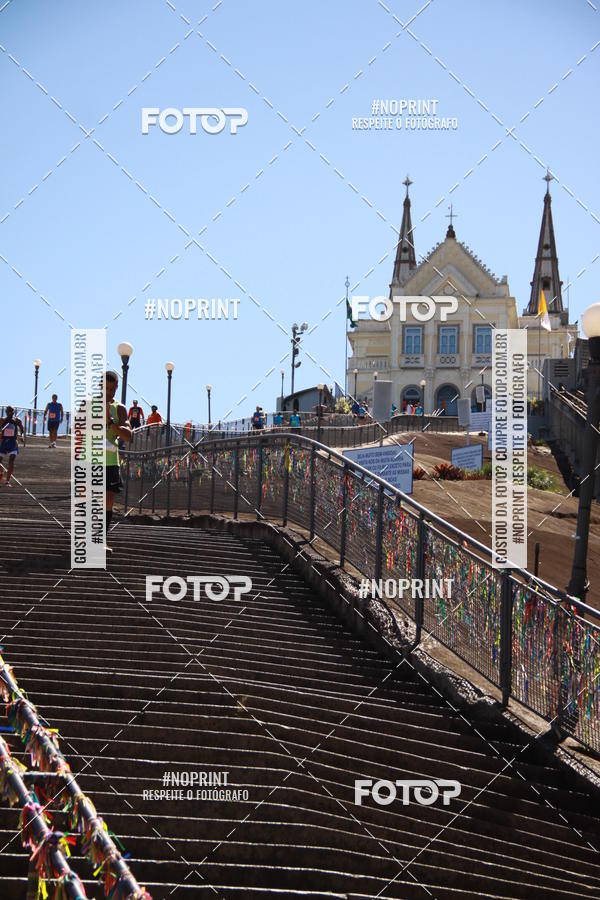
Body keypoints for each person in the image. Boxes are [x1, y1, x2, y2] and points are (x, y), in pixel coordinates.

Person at [104, 371, 132, 551]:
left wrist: (111, 423)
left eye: (112, 389)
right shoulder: (88, 405)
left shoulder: (119, 408)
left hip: (110, 460)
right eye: (106, 388)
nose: (109, 392)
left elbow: (128, 436)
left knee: (107, 500)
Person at [0, 407, 24, 486]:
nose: (10, 413)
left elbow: (22, 430)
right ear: (6, 412)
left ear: (13, 412)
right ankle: (1, 471)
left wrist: (22, 436)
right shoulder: (2, 420)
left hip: (12, 442)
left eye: (11, 411)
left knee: (11, 460)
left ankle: (7, 480)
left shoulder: (17, 420)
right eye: (8, 411)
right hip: (3, 442)